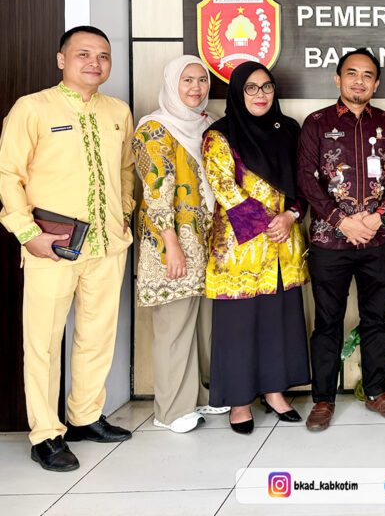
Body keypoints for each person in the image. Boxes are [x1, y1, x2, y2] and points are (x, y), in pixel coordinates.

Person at [0, 26, 135, 472]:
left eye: (103, 56)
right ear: (62, 59)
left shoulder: (117, 111)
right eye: (84, 54)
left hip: (107, 246)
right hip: (51, 247)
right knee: (42, 342)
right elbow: (9, 174)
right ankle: (45, 434)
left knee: (97, 336)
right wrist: (27, 233)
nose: (95, 63)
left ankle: (85, 417)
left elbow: (126, 170)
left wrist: (124, 212)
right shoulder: (33, 108)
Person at [297, 48, 385, 431]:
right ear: (338, 79)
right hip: (330, 243)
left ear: (376, 84)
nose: (359, 81)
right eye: (352, 73)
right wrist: (340, 221)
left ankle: (375, 392)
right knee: (328, 322)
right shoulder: (316, 123)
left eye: (367, 75)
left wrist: (378, 216)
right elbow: (306, 180)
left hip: (378, 239)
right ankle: (323, 399)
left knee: (375, 319)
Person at [202, 61, 310, 434]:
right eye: (251, 88)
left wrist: (292, 215)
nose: (260, 95)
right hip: (239, 247)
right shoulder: (219, 135)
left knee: (278, 321)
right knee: (238, 326)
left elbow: (303, 181)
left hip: (284, 245)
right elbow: (224, 188)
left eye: (266, 87)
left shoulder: (289, 129)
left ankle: (275, 392)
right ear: (237, 92)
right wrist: (268, 224)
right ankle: (239, 402)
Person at [133, 56, 227, 433]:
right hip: (173, 239)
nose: (195, 88)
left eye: (202, 81)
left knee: (203, 322)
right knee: (174, 324)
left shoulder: (208, 124)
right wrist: (170, 243)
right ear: (172, 83)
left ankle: (201, 395)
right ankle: (171, 410)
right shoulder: (155, 128)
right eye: (187, 80)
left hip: (207, 237)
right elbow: (156, 191)